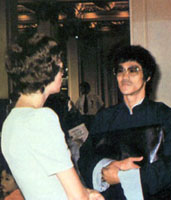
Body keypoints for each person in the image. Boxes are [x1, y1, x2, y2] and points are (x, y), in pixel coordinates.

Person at [1, 33, 104, 200]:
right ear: (45, 70)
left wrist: (86, 193)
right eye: (59, 63)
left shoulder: (11, 121)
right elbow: (78, 197)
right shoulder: (42, 118)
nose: (62, 68)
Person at [78, 45, 171, 200]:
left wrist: (123, 177)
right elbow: (85, 157)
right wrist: (103, 171)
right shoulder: (104, 118)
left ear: (147, 76)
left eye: (133, 70)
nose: (125, 76)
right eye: (120, 70)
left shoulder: (165, 116)